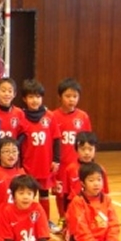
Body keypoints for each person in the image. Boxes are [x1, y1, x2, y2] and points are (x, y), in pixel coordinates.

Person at [18, 79, 61, 224]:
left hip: (45, 163)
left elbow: (56, 139)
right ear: (24, 99)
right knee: (26, 193)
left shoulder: (49, 116)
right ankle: (26, 220)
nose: (35, 100)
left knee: (44, 194)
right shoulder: (21, 117)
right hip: (28, 164)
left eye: (38, 97)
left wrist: (56, 160)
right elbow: (18, 142)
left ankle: (45, 220)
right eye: (31, 97)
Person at [52, 78, 92, 229]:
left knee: (77, 192)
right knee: (61, 193)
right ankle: (62, 218)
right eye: (68, 96)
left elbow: (88, 140)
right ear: (60, 97)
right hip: (61, 164)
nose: (71, 99)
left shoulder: (83, 117)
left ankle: (79, 218)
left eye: (75, 96)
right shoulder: (53, 116)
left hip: (77, 164)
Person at [65, 163, 119, 241]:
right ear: (82, 183)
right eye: (91, 180)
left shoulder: (106, 200)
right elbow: (80, 228)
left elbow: (114, 223)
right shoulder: (78, 202)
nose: (96, 184)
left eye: (99, 180)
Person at [63, 131, 110, 202]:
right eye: (83, 149)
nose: (87, 153)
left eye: (90, 149)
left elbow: (105, 194)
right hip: (76, 208)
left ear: (95, 149)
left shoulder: (100, 169)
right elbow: (66, 194)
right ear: (76, 149)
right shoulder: (70, 169)